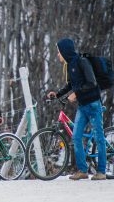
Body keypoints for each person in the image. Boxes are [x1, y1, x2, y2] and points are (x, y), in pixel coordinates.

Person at [47, 38, 106, 180]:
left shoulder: (81, 61)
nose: (58, 55)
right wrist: (57, 94)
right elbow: (70, 85)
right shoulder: (70, 66)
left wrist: (76, 94)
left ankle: (101, 172)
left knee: (99, 137)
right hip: (83, 106)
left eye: (59, 52)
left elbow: (91, 82)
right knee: (76, 137)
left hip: (93, 104)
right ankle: (83, 171)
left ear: (65, 51)